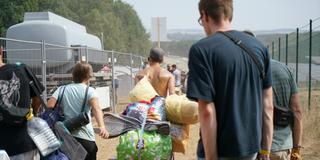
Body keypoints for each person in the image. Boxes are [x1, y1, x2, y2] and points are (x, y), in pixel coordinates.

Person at [186, 0, 274, 159]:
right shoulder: (259, 48)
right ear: (229, 13)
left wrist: (211, 157)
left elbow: (206, 111)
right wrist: (265, 151)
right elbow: (268, 106)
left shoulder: (202, 50)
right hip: (252, 150)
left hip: (221, 150)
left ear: (205, 16)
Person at [47, 62, 108, 160]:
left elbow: (49, 106)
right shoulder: (90, 91)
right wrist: (102, 126)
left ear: (74, 74)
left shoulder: (61, 89)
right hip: (86, 138)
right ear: (89, 76)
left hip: (66, 138)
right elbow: (96, 109)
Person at [0, 45, 44, 159]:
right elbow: (38, 98)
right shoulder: (22, 69)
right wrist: (32, 113)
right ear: (1, 50)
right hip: (25, 143)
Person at [270, 60, 302, 160]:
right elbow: (297, 111)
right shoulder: (284, 69)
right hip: (282, 147)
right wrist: (296, 149)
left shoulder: (247, 67)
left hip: (253, 149)